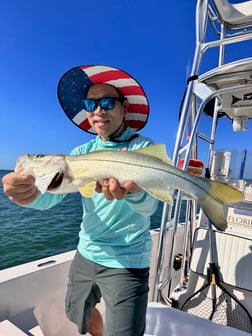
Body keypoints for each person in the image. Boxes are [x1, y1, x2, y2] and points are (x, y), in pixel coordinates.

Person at [2, 65, 158, 336]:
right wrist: (27, 196)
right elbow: (52, 196)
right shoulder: (80, 152)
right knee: (77, 314)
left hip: (128, 260)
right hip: (86, 252)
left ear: (124, 108)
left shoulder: (142, 149)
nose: (99, 110)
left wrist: (134, 194)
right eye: (91, 104)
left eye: (107, 102)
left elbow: (149, 205)